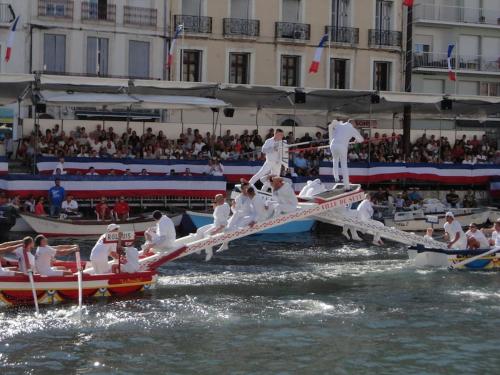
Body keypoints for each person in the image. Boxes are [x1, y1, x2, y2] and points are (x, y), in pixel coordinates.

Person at [329, 120, 364, 189]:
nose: (355, 125)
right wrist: (356, 140)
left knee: (335, 160)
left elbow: (333, 131)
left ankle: (336, 178)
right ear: (352, 123)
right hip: (342, 146)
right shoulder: (352, 129)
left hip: (333, 144)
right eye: (355, 123)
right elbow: (361, 140)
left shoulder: (340, 125)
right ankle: (347, 185)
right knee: (344, 165)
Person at [195, 194, 231, 261]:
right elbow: (220, 213)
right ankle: (198, 248)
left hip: (219, 226)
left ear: (219, 200)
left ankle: (209, 253)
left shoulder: (220, 208)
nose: (215, 202)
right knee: (199, 230)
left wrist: (216, 231)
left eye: (216, 200)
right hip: (215, 224)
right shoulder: (225, 205)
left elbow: (223, 222)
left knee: (206, 234)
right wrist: (216, 207)